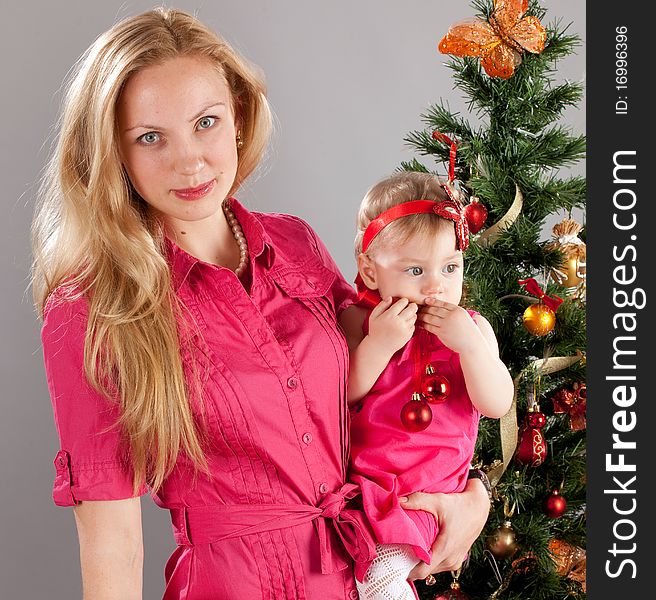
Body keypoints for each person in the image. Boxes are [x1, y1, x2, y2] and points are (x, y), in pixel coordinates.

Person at [31, 8, 492, 600]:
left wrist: (470, 495)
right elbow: (112, 541)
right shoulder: (91, 307)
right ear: (111, 152)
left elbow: (392, 388)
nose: (190, 161)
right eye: (151, 137)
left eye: (206, 122)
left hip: (357, 577)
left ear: (240, 120)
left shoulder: (294, 244)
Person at [339, 172, 514, 599]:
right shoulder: (360, 323)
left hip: (430, 498)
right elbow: (342, 396)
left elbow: (497, 403)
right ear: (370, 270)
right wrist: (379, 346)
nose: (436, 285)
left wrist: (471, 349)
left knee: (381, 579)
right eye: (415, 270)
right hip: (371, 493)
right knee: (369, 579)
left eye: (450, 267)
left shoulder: (472, 329)